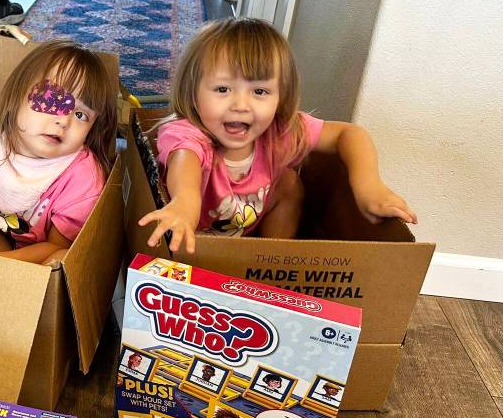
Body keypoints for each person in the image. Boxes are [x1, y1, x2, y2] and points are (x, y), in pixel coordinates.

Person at [139, 17, 416, 251]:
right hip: (189, 243)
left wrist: (369, 186)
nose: (240, 105)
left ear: (280, 98)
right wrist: (184, 205)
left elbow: (349, 134)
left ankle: (271, 258)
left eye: (260, 92)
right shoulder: (188, 133)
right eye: (223, 89)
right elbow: (184, 163)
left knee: (288, 182)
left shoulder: (279, 132)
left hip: (249, 242)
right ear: (193, 92)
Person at [0, 41, 117, 264]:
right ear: (17, 97)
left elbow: (56, 246)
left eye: (80, 115)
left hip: (33, 261)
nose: (63, 120)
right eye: (52, 100)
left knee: (60, 259)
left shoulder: (83, 177)